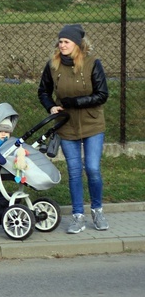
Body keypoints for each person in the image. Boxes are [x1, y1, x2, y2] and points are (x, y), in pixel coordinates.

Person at [38, 24, 109, 234]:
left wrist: (75, 102)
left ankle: (97, 210)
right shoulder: (52, 65)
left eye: (66, 41)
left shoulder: (92, 63)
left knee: (93, 169)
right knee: (75, 171)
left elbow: (102, 94)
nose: (62, 45)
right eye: (60, 41)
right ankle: (78, 216)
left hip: (92, 123)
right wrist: (51, 106)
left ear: (77, 44)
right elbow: (43, 91)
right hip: (66, 125)